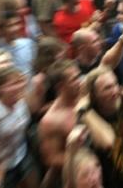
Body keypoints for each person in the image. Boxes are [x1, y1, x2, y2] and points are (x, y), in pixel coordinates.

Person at [39, 60, 83, 188]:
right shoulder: (50, 121)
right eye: (74, 79)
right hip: (75, 177)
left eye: (78, 76)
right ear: (60, 86)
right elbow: (51, 158)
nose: (79, 82)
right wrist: (85, 159)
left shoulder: (82, 94)